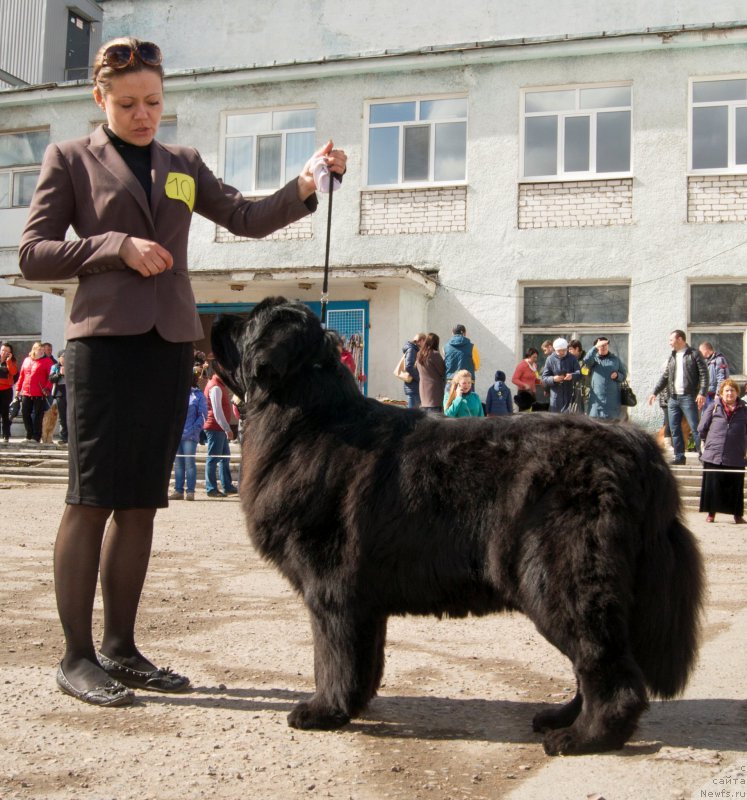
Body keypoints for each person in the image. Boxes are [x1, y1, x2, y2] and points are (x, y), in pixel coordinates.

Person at [18, 36, 347, 707]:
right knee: (91, 500)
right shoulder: (71, 159)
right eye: (129, 103)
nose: (144, 115)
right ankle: (77, 657)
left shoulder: (181, 164)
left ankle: (121, 648)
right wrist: (114, 246)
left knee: (141, 504)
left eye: (154, 103)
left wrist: (306, 185)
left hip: (169, 342)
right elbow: (34, 254)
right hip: (102, 346)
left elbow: (247, 218)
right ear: (100, 98)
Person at [648, 330, 708, 465]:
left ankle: (702, 456)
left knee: (694, 427)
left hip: (688, 397)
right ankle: (679, 456)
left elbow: (704, 374)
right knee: (674, 428)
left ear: (680, 339)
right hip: (673, 398)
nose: (670, 343)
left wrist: (702, 392)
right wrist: (654, 392)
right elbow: (665, 376)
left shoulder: (694, 354)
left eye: (671, 340)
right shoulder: (672, 356)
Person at [697, 379, 747, 524]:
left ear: (737, 393)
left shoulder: (744, 410)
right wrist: (709, 442)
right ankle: (711, 514)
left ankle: (737, 515)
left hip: (736, 454)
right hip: (714, 453)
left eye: (732, 390)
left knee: (735, 486)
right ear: (721, 393)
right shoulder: (713, 407)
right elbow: (702, 428)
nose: (729, 393)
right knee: (713, 485)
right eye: (727, 391)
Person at [170, 367, 208, 501]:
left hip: (190, 436)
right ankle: (178, 491)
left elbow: (203, 415)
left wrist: (194, 430)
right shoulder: (179, 394)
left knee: (189, 463)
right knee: (178, 464)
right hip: (177, 435)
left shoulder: (199, 395)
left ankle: (190, 491)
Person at [204, 371, 238, 498]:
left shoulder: (216, 385)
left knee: (225, 457)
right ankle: (211, 488)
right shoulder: (216, 387)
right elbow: (217, 411)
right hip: (216, 428)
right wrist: (227, 428)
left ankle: (227, 486)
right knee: (213, 458)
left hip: (218, 428)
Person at [582, 336, 627, 419]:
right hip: (597, 400)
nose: (604, 347)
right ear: (596, 347)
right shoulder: (593, 360)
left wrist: (617, 376)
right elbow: (586, 360)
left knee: (612, 427)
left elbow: (623, 376)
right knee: (596, 426)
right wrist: (595, 347)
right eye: (601, 345)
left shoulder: (615, 359)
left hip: (612, 400)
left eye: (606, 345)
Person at [16, 342, 52, 443]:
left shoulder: (47, 361)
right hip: (26, 391)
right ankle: (29, 434)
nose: (41, 351)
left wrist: (47, 388)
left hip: (39, 392)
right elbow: (22, 376)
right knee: (25, 413)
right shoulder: (27, 360)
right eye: (39, 349)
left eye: (42, 350)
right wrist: (18, 389)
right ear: (34, 350)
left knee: (38, 415)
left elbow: (50, 377)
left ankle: (36, 436)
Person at [541, 338, 581, 413]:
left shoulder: (572, 358)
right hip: (555, 396)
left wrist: (572, 376)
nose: (562, 352)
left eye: (564, 350)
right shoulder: (550, 359)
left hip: (569, 395)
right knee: (555, 420)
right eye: (559, 351)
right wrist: (553, 379)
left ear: (566, 349)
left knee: (569, 420)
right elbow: (544, 377)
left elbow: (579, 373)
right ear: (555, 350)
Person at [415, 332, 446, 414]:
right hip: (434, 391)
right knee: (435, 419)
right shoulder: (435, 354)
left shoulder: (419, 354)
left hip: (423, 389)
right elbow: (443, 371)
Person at [698, 341, 730, 408]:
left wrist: (718, 394)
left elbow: (722, 378)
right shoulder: (706, 361)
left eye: (701, 351)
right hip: (707, 395)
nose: (700, 354)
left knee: (715, 415)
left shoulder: (719, 360)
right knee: (706, 416)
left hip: (714, 395)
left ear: (706, 350)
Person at [0, 342, 19, 443]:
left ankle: (6, 435)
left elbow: (13, 372)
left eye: (7, 351)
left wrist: (8, 361)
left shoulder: (12, 361)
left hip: (6, 390)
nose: (4, 352)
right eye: (3, 350)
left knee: (5, 413)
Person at [49, 350, 68, 444]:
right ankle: (64, 436)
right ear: (59, 358)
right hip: (60, 392)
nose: (64, 358)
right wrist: (59, 374)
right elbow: (51, 379)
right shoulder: (55, 367)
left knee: (71, 415)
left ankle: (72, 436)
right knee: (62, 415)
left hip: (70, 392)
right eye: (63, 357)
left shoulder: (72, 366)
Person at [401, 333, 426, 409]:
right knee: (414, 415)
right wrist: (419, 378)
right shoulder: (412, 349)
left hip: (413, 386)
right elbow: (409, 366)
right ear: (421, 341)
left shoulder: (413, 349)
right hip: (413, 386)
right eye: (425, 342)